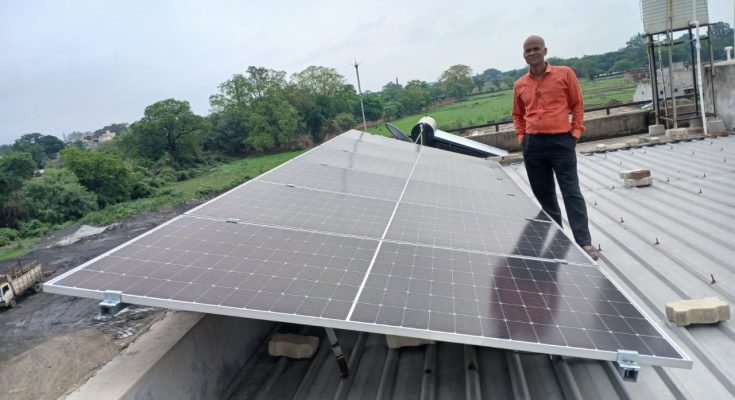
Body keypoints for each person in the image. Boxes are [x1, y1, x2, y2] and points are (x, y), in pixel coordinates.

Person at [511, 35, 599, 260]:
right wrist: (522, 137)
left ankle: (584, 243)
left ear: (545, 51)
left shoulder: (565, 74)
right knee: (545, 196)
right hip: (533, 145)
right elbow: (517, 114)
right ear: (524, 55)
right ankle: (559, 239)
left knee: (571, 192)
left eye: (536, 49)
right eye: (528, 50)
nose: (532, 53)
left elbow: (577, 105)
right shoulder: (520, 84)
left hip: (561, 142)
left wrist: (575, 134)